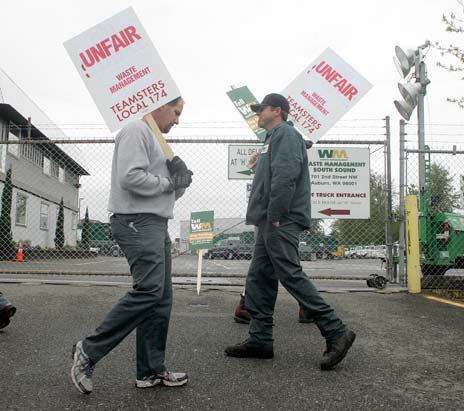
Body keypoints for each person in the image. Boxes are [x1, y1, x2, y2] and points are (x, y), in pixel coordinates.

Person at [71, 97, 193, 394]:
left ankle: (150, 372)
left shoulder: (158, 142)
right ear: (161, 105)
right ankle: (89, 349)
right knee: (150, 290)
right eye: (176, 113)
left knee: (161, 298)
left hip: (155, 222)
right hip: (136, 221)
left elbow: (161, 193)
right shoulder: (136, 130)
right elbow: (130, 178)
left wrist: (180, 183)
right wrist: (167, 183)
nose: (177, 120)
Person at [225, 93, 355, 370]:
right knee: (259, 277)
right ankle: (260, 340)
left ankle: (336, 330)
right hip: (268, 220)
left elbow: (285, 177)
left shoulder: (285, 134)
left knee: (290, 273)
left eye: (261, 110)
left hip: (279, 219)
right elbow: (272, 175)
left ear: (278, 110)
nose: (257, 114)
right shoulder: (272, 139)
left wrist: (275, 217)